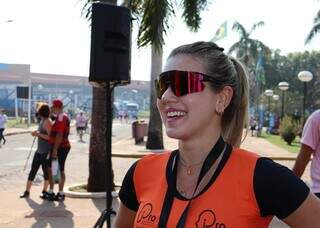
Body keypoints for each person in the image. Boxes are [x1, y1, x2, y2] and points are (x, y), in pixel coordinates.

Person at [115, 41, 320, 227]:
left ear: (222, 98)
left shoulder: (264, 178)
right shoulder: (141, 172)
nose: (167, 96)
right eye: (162, 85)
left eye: (182, 83)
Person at [20, 104, 52, 199]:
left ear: (42, 112)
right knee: (33, 171)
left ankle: (44, 191)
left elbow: (50, 137)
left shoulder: (48, 122)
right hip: (39, 151)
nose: (37, 112)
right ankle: (27, 191)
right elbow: (41, 134)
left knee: (45, 172)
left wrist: (38, 134)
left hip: (45, 152)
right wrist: (36, 133)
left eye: (39, 110)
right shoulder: (42, 121)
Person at [46, 99, 71, 201]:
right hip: (58, 147)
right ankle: (52, 191)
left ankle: (60, 193)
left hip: (61, 147)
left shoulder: (61, 117)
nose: (51, 108)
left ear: (58, 107)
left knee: (59, 170)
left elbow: (60, 134)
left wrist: (55, 149)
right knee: (52, 169)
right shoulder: (59, 117)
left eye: (53, 107)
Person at [293, 109, 320, 198]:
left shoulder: (316, 118)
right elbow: (303, 159)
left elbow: (303, 159)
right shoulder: (316, 118)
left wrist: (288, 187)